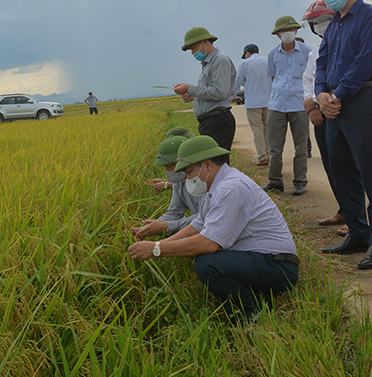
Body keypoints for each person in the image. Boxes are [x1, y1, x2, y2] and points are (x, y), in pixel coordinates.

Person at [127, 136, 299, 323]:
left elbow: (208, 243)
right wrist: (157, 245)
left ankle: (253, 315)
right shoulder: (217, 186)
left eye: (190, 172)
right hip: (264, 260)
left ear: (207, 165)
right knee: (201, 256)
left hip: (279, 267)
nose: (188, 178)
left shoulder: (230, 188)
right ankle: (250, 300)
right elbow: (197, 226)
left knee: (208, 264)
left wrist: (156, 249)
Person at [311, 0, 372, 269]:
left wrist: (336, 95)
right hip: (334, 106)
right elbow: (322, 63)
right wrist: (321, 94)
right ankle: (359, 232)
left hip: (361, 101)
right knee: (342, 170)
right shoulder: (334, 25)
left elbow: (365, 62)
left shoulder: (370, 18)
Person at [301, 0, 348, 235]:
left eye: (324, 21)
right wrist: (312, 107)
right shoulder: (316, 52)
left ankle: (356, 217)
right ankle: (344, 209)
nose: (320, 26)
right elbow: (309, 80)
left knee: (349, 167)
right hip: (321, 114)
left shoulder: (346, 44)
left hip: (340, 111)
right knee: (332, 165)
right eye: (315, 23)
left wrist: (323, 99)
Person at [264, 16, 312, 195]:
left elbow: (312, 78)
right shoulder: (273, 54)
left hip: (299, 105)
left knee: (300, 146)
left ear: (296, 31)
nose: (287, 34)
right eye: (283, 31)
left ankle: (300, 181)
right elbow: (272, 77)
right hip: (276, 105)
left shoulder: (307, 52)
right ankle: (275, 181)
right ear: (277, 34)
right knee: (275, 147)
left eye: (291, 30)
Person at [173, 27, 236, 162]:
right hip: (209, 122)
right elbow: (209, 91)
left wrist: (190, 88)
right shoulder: (207, 64)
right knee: (210, 164)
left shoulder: (220, 60)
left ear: (205, 42)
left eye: (194, 48)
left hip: (218, 121)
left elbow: (220, 92)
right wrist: (193, 96)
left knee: (217, 164)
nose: (193, 53)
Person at [131, 135, 204, 239]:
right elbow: (174, 212)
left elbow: (203, 218)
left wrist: (166, 227)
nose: (169, 171)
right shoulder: (179, 181)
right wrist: (145, 228)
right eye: (166, 168)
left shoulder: (205, 181)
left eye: (170, 166)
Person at [235, 44, 272, 166]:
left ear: (247, 53)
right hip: (269, 101)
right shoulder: (267, 61)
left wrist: (231, 95)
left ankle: (263, 157)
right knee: (267, 129)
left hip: (253, 102)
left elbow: (238, 81)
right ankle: (270, 154)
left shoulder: (245, 64)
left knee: (258, 131)